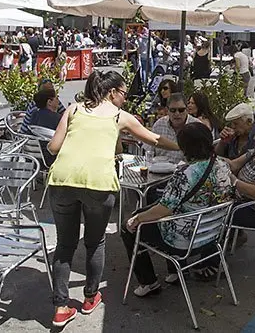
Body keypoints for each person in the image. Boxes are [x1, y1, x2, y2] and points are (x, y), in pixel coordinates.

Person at [45, 70, 180, 327]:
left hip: (61, 180)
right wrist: (184, 147)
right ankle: (90, 297)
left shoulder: (73, 109)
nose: (125, 99)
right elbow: (154, 138)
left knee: (64, 245)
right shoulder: (119, 116)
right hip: (98, 184)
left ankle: (61, 306)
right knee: (95, 243)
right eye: (124, 94)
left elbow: (53, 147)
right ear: (112, 92)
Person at [122, 122, 235, 295]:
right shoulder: (222, 165)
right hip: (211, 236)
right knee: (155, 211)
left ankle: (149, 282)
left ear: (184, 148)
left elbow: (163, 210)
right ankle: (176, 272)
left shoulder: (185, 173)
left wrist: (137, 219)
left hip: (183, 241)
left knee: (128, 227)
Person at [145, 93, 200, 164]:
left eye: (181, 110)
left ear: (187, 109)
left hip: (186, 172)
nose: (177, 114)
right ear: (167, 110)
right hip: (159, 170)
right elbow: (149, 152)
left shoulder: (196, 127)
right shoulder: (159, 125)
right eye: (173, 110)